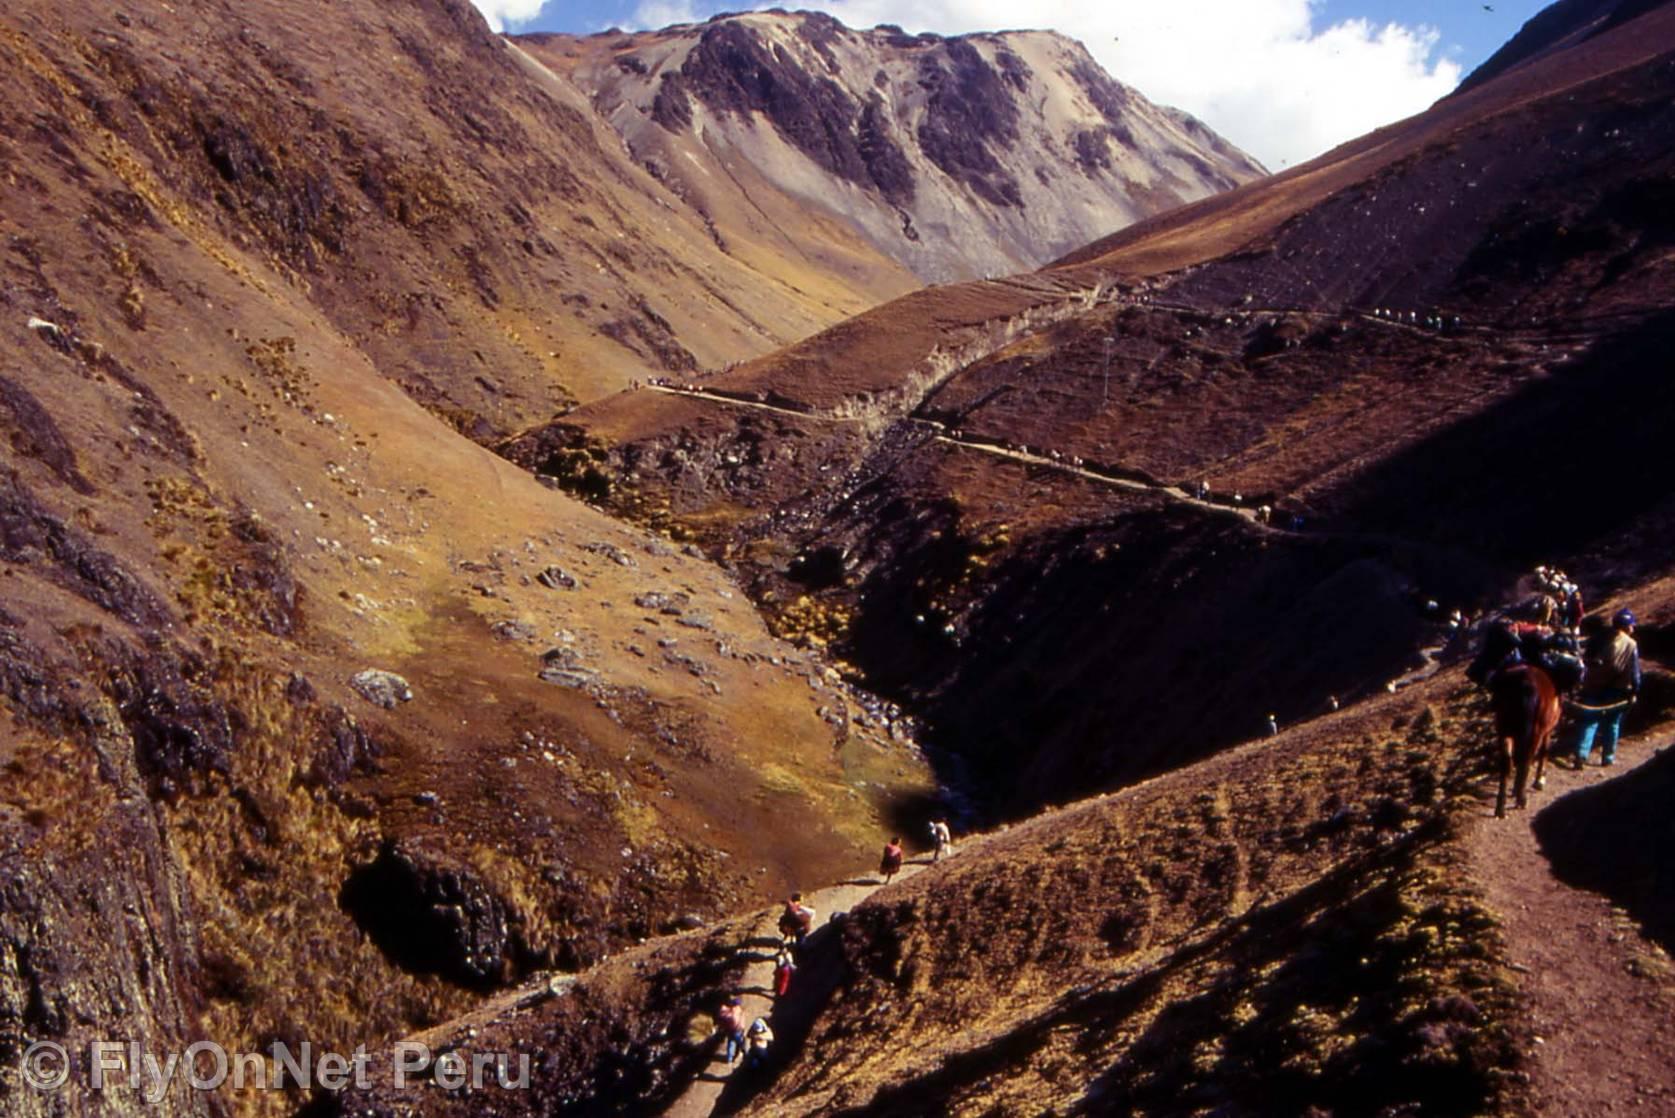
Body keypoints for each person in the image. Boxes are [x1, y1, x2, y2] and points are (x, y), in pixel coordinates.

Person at [1569, 608, 1641, 767]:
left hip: (1593, 685)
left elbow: (1586, 658)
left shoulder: (1600, 637)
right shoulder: (1631, 644)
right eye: (1632, 625)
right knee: (1612, 723)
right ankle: (1608, 758)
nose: (1633, 628)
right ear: (1627, 626)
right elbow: (1634, 671)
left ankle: (1581, 754)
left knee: (1590, 720)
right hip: (1617, 689)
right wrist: (1635, 689)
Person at [717, 996, 747, 1065]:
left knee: (731, 1044)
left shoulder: (729, 1012)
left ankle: (729, 1059)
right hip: (738, 1031)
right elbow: (742, 1023)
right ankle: (742, 1054)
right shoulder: (740, 1011)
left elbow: (723, 1017)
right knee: (741, 1043)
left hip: (730, 1031)